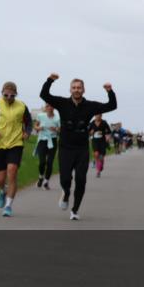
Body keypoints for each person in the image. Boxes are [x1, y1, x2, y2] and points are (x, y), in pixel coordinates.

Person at [40, 74, 117, 221]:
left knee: (81, 180)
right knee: (65, 179)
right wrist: (50, 80)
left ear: (83, 90)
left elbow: (112, 105)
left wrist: (110, 91)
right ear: (70, 89)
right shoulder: (62, 103)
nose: (76, 90)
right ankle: (66, 193)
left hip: (81, 149)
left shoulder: (90, 106)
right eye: (74, 87)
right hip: (65, 148)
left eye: (79, 87)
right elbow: (44, 94)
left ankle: (75, 210)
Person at [0, 82, 32, 217]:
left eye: (11, 95)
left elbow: (28, 122)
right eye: (6, 95)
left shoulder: (21, 106)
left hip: (16, 143)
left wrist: (27, 132)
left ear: (15, 94)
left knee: (12, 172)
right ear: (2, 93)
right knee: (0, 179)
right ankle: (3, 190)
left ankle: (8, 206)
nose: (8, 97)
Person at [33, 103, 60, 189]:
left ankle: (46, 182)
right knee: (42, 162)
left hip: (53, 140)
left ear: (53, 107)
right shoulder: (41, 116)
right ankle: (41, 177)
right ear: (45, 107)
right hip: (42, 140)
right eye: (47, 106)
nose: (49, 107)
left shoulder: (57, 118)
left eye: (51, 106)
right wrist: (38, 128)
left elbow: (60, 129)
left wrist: (55, 129)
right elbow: (35, 125)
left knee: (50, 162)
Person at [88, 113, 112, 177]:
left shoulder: (104, 123)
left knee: (101, 157)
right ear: (95, 116)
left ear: (101, 116)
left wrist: (108, 137)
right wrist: (91, 132)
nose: (97, 117)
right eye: (96, 115)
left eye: (99, 115)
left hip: (102, 141)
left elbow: (109, 132)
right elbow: (88, 132)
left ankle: (100, 166)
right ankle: (98, 171)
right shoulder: (92, 123)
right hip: (95, 141)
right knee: (96, 154)